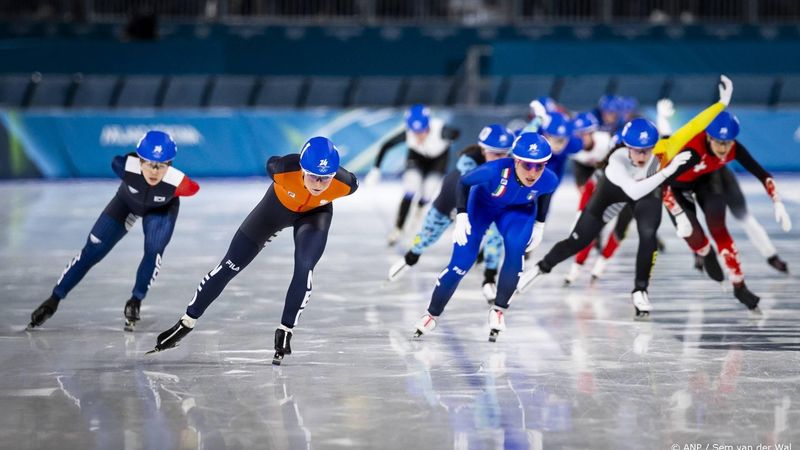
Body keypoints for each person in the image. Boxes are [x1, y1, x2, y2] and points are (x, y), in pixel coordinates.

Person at [518, 75, 734, 319]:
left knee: (648, 235)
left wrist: (721, 105)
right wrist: (670, 170)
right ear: (626, 146)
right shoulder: (617, 159)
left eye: (648, 150)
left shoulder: (666, 147)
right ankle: (540, 268)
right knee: (578, 240)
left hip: (647, 194)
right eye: (636, 150)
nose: (642, 156)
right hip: (613, 192)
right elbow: (631, 191)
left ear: (656, 146)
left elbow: (695, 126)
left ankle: (640, 290)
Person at [147, 137, 358, 366]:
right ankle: (186, 322)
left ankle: (285, 330)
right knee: (229, 265)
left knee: (304, 268)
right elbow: (271, 161)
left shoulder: (346, 184)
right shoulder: (283, 169)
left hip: (315, 216)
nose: (318, 184)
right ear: (302, 170)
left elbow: (345, 182)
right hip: (274, 210)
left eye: (326, 178)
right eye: (313, 176)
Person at [27, 131, 199, 331]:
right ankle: (53, 299)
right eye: (149, 164)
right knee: (92, 250)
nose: (154, 171)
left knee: (154, 249)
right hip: (126, 204)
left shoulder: (180, 183)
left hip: (160, 211)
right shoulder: (124, 166)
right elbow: (117, 161)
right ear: (140, 161)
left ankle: (136, 300)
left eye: (160, 166)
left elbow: (194, 188)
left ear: (169, 165)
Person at [412, 132, 559, 342]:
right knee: (462, 262)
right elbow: (463, 182)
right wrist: (462, 214)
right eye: (527, 165)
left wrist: (540, 224)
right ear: (516, 160)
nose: (533, 172)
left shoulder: (549, 179)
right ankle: (431, 314)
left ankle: (498, 310)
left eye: (540, 166)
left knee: (515, 251)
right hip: (481, 208)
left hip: (517, 212)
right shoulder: (494, 170)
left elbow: (545, 194)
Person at [661, 111, 792, 310]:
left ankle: (739, 285)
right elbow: (661, 184)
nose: (724, 148)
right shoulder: (691, 152)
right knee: (694, 236)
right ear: (708, 137)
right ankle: (705, 252)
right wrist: (678, 214)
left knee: (719, 228)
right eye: (719, 143)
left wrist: (777, 201)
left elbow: (762, 174)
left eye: (728, 142)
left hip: (706, 180)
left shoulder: (734, 149)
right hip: (675, 188)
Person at [387, 124, 515, 303]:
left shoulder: (509, 164)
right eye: (495, 153)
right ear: (483, 150)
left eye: (505, 154)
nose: (501, 158)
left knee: (498, 233)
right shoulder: (468, 164)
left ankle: (489, 278)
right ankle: (411, 256)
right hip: (450, 202)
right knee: (427, 237)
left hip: (482, 207)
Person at [364, 104, 460, 245]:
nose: (419, 136)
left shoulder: (441, 129)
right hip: (417, 158)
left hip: (438, 160)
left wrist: (452, 137)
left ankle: (416, 220)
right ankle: (398, 229)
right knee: (410, 189)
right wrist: (376, 169)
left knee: (428, 192)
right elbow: (386, 145)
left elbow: (457, 133)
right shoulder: (409, 133)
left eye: (423, 131)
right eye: (415, 132)